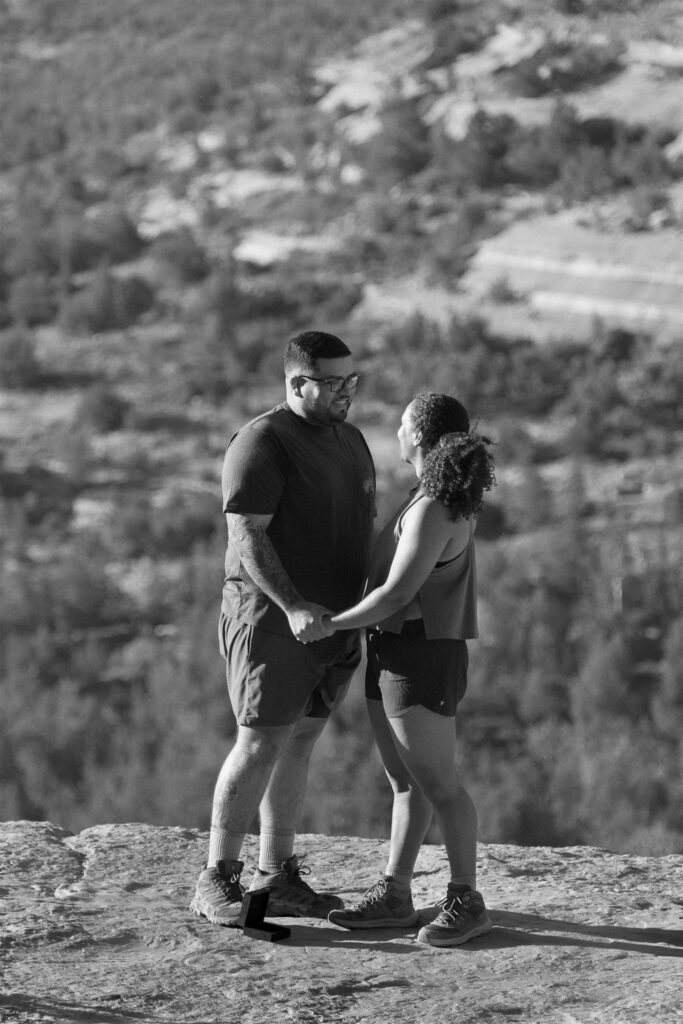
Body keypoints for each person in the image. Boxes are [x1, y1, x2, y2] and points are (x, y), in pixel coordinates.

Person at [190, 330, 376, 925]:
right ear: (297, 383)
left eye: (352, 379)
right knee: (260, 740)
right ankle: (216, 879)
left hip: (334, 625)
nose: (346, 392)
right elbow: (246, 535)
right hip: (275, 622)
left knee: (300, 739)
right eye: (331, 382)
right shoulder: (262, 442)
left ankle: (279, 873)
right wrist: (295, 605)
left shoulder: (348, 439)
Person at [323, 391, 496, 947]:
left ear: (417, 437)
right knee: (407, 781)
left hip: (419, 658)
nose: (393, 431)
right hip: (395, 652)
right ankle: (397, 895)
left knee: (441, 785)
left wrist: (331, 624)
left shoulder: (434, 509)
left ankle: (467, 900)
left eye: (400, 423)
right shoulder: (430, 498)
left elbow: (397, 594)